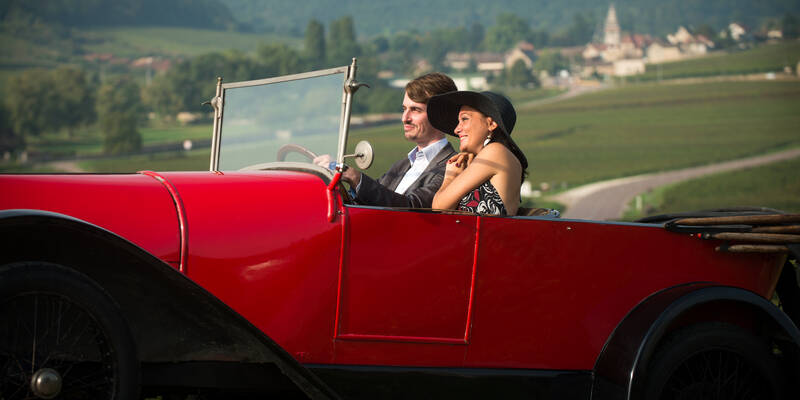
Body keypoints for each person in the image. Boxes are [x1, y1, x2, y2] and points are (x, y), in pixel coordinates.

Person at [316, 72, 458, 208]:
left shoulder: (452, 167)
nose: (405, 118)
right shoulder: (402, 165)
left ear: (441, 115)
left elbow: (413, 207)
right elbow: (366, 202)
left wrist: (353, 176)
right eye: (404, 109)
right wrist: (330, 177)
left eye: (415, 110)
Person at [429, 91, 527, 216]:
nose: (456, 129)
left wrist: (450, 176)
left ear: (491, 124)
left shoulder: (495, 152)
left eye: (464, 119)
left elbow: (439, 208)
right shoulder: (498, 155)